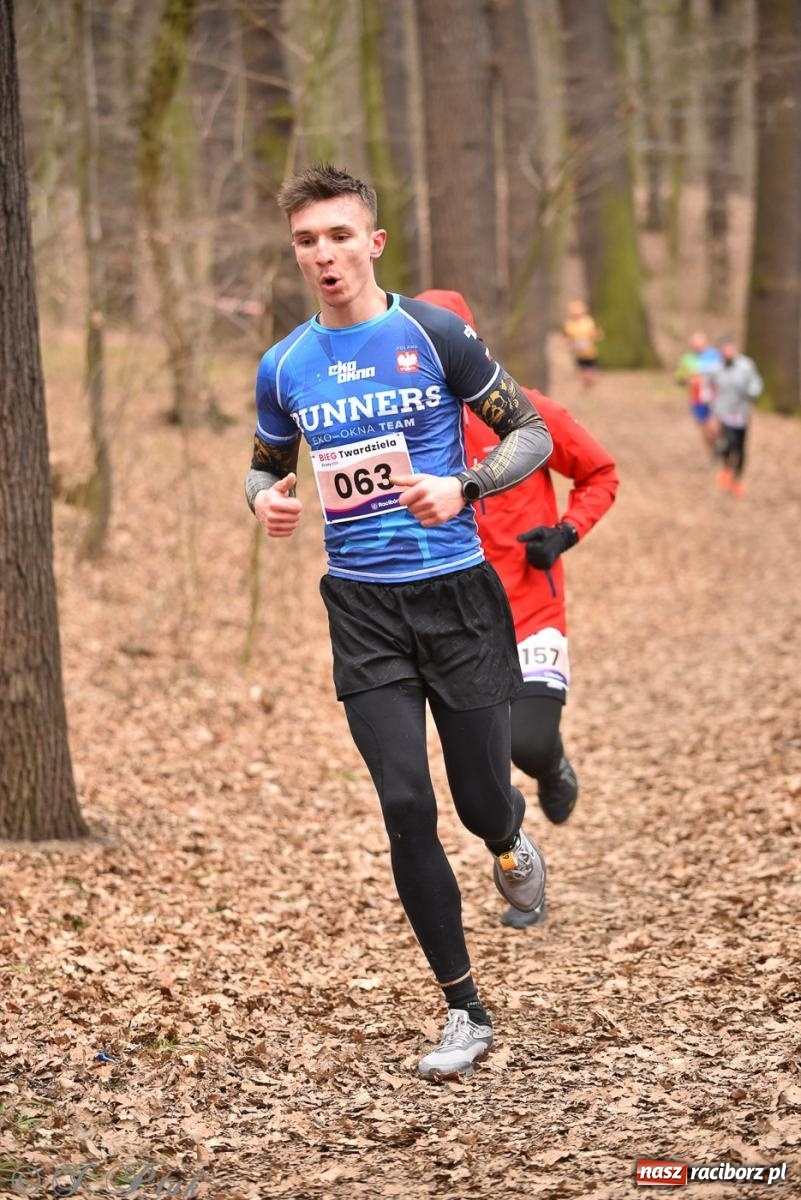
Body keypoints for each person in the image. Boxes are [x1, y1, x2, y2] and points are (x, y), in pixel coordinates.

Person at [245, 165, 554, 1081]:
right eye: (306, 241)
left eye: (338, 235)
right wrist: (265, 502)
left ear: (372, 242)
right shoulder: (285, 364)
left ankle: (507, 837)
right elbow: (263, 466)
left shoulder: (433, 331)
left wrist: (462, 484)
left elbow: (529, 433)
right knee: (404, 805)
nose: (323, 255)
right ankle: (464, 1008)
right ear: (295, 252)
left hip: (455, 595)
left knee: (476, 800)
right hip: (362, 608)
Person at [417, 291, 619, 929]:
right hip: (459, 619)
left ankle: (553, 763)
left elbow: (602, 473)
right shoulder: (406, 432)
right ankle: (518, 868)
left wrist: (564, 531)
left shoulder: (529, 411)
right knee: (481, 765)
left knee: (528, 743)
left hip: (532, 606)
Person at [710, 336, 763, 498]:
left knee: (740, 447)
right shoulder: (717, 369)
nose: (727, 352)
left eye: (729, 349)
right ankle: (726, 469)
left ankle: (737, 480)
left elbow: (756, 383)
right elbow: (713, 391)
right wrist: (714, 413)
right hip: (725, 414)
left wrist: (752, 392)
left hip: (741, 413)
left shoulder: (746, 365)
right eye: (724, 350)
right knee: (729, 443)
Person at [674, 330, 722, 454]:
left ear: (706, 343)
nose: (697, 346)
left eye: (700, 343)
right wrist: (687, 381)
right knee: (704, 427)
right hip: (697, 399)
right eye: (695, 343)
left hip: (714, 397)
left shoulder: (714, 355)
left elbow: (724, 372)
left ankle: (720, 443)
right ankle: (712, 450)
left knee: (715, 426)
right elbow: (679, 378)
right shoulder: (687, 359)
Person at [563, 299, 603, 387]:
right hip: (578, 353)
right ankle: (586, 383)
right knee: (581, 371)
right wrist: (568, 342)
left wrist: (596, 335)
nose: (576, 315)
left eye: (578, 312)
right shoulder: (569, 324)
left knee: (590, 370)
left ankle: (590, 380)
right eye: (574, 313)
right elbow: (568, 337)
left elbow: (594, 333)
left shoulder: (588, 321)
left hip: (589, 352)